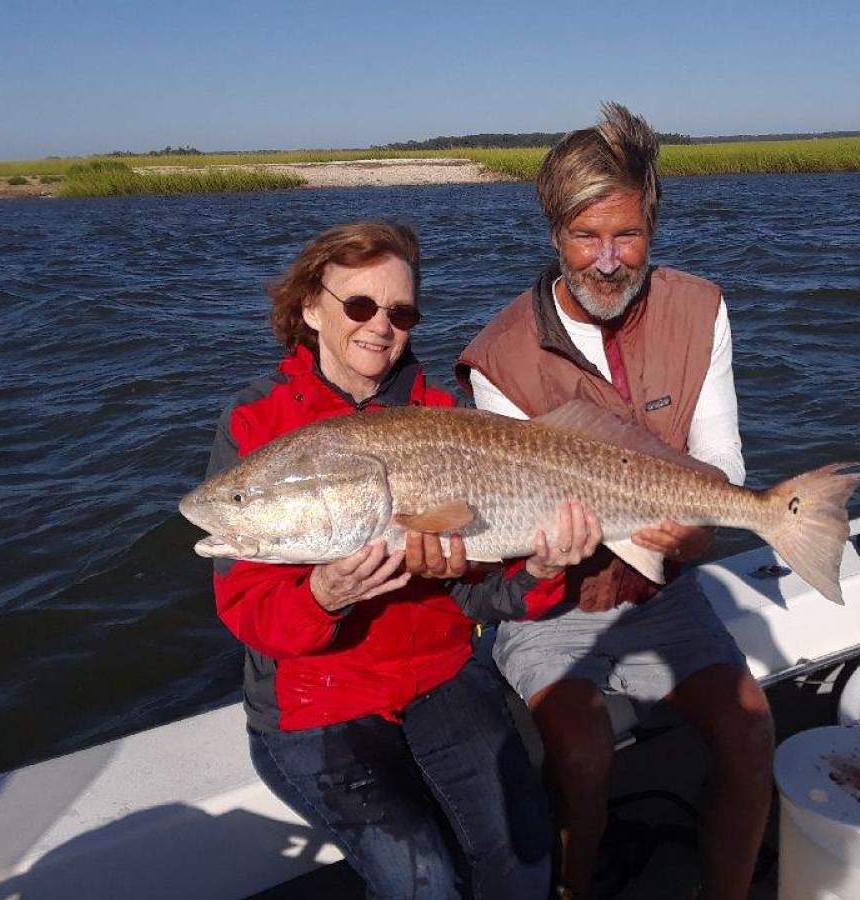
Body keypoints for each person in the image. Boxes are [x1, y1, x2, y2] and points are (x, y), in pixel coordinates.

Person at [205, 221, 603, 899]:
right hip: (316, 702)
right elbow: (246, 607)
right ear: (309, 307)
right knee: (420, 880)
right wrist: (321, 597)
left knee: (523, 855)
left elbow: (484, 598)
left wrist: (540, 570)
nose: (381, 326)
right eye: (359, 305)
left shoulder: (445, 416)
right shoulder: (256, 420)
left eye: (401, 312)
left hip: (439, 672)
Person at [456, 105, 775, 899]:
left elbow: (721, 460)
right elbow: (507, 526)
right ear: (553, 234)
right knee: (579, 750)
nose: (605, 261)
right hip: (555, 602)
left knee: (750, 730)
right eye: (583, 237)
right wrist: (543, 553)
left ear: (653, 225)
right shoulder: (497, 357)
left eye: (626, 236)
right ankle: (578, 887)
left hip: (664, 580)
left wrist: (692, 534)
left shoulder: (700, 309)